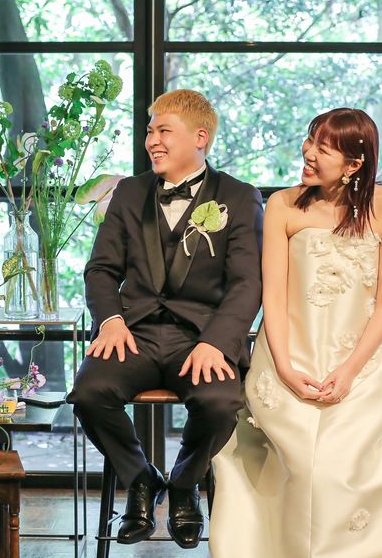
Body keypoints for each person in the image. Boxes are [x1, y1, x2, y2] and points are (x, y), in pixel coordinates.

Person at [210, 108, 382, 557]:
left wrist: (350, 371)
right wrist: (284, 368)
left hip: (364, 363)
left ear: (354, 164)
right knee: (302, 464)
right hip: (288, 356)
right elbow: (273, 296)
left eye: (322, 148)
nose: (308, 153)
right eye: (309, 140)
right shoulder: (282, 204)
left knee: (339, 467)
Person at [67, 89, 263, 549]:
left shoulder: (239, 197)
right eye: (149, 131)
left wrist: (216, 342)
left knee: (221, 402)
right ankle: (140, 477)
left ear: (200, 137)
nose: (152, 140)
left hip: (201, 337)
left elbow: (247, 283)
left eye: (163, 131)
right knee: (89, 394)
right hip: (132, 333)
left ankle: (184, 483)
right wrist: (110, 320)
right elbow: (101, 270)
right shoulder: (130, 192)